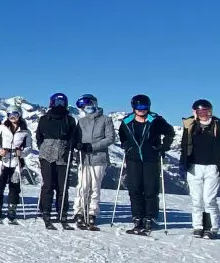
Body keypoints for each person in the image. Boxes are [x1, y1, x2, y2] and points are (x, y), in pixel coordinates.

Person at [117, 94, 175, 235]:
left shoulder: (155, 120)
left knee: (150, 189)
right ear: (134, 107)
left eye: (144, 107)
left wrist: (164, 146)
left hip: (151, 157)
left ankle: (150, 217)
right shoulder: (127, 121)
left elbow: (170, 132)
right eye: (139, 107)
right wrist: (126, 145)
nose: (141, 109)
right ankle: (137, 216)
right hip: (133, 158)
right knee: (135, 188)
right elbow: (122, 135)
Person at [178, 99, 220, 238]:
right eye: (200, 112)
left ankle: (211, 228)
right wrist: (183, 164)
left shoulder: (217, 124)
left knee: (209, 199)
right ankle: (198, 226)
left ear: (210, 111)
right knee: (197, 200)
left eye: (206, 111)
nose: (203, 115)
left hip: (212, 167)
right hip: (194, 167)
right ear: (195, 112)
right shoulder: (190, 125)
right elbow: (184, 146)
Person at [33, 93, 79, 228]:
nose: (59, 105)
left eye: (61, 102)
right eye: (57, 102)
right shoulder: (44, 119)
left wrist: (70, 145)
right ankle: (45, 211)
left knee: (62, 186)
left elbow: (73, 136)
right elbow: (39, 136)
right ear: (52, 103)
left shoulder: (69, 120)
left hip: (64, 154)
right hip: (47, 154)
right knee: (48, 184)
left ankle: (62, 211)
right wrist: (44, 147)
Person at [72, 94, 116, 230]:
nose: (87, 108)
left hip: (99, 158)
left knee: (95, 187)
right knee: (82, 186)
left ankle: (92, 212)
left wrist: (92, 147)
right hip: (84, 158)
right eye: (84, 106)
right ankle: (79, 212)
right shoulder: (81, 121)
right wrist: (77, 145)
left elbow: (110, 138)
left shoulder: (105, 120)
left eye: (89, 105)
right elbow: (76, 138)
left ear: (95, 104)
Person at [0, 106, 33, 223]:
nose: (12, 117)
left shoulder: (25, 131)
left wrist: (22, 153)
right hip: (3, 160)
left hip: (16, 161)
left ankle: (12, 208)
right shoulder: (1, 128)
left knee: (14, 186)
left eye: (15, 114)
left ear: (19, 115)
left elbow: (29, 146)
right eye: (10, 115)